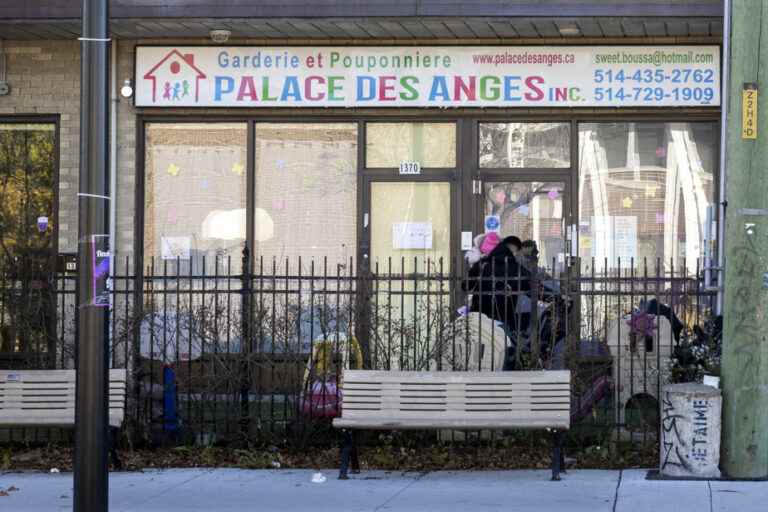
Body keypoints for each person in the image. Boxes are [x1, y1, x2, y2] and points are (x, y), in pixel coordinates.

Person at [463, 235, 531, 369]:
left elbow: (465, 286)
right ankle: (502, 382)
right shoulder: (516, 268)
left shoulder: (483, 264)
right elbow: (533, 287)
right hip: (504, 320)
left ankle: (478, 380)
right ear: (513, 252)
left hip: (480, 320)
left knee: (478, 356)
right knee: (502, 355)